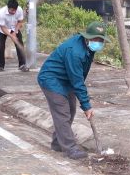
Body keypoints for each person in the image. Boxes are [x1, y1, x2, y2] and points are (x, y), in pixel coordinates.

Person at [37, 21, 106, 160]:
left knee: (71, 110)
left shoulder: (88, 48)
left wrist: (83, 101)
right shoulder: (75, 52)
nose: (97, 42)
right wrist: (86, 105)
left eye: (100, 40)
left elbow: (79, 76)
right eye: (94, 39)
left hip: (66, 80)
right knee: (62, 112)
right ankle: (70, 148)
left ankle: (57, 143)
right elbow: (77, 80)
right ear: (87, 37)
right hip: (52, 79)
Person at [0, 0, 29, 72]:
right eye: (11, 10)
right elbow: (2, 27)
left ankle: (22, 65)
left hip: (14, 27)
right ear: (8, 7)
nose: (13, 12)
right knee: (0, 47)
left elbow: (20, 21)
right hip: (3, 30)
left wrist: (14, 32)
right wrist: (11, 36)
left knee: (20, 45)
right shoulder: (1, 12)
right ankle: (0, 66)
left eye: (14, 10)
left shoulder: (19, 10)